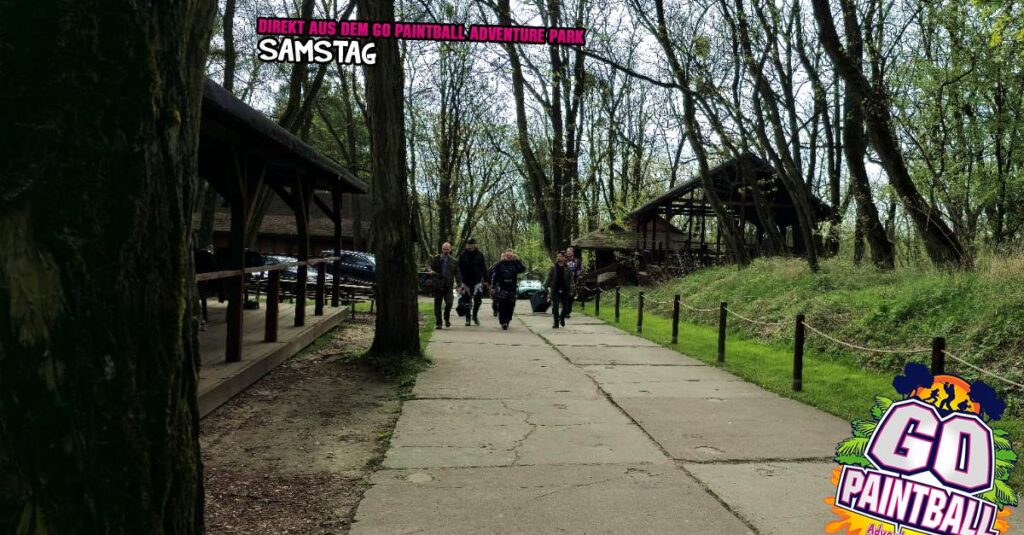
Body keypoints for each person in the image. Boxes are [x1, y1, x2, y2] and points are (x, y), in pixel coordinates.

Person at [490, 249, 525, 330]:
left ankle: (508, 320)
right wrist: (493, 287)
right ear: (504, 255)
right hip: (502, 288)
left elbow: (522, 269)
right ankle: (503, 322)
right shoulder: (499, 264)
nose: (509, 257)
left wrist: (517, 260)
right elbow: (494, 276)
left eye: (510, 255)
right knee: (502, 306)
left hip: (512, 289)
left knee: (511, 305)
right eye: (507, 255)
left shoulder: (515, 264)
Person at [457, 237, 488, 326]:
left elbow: (484, 268)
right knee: (466, 301)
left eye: (472, 244)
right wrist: (460, 282)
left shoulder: (480, 255)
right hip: (465, 281)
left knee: (478, 299)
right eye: (469, 244)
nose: (470, 245)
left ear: (475, 244)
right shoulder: (463, 255)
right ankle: (468, 318)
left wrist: (486, 280)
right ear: (467, 245)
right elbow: (459, 269)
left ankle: (474, 315)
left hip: (477, 281)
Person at [429, 242, 457, 329]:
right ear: (442, 249)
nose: (446, 251)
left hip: (448, 285)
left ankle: (446, 317)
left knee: (449, 303)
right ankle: (439, 323)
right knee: (437, 305)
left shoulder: (454, 261)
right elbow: (430, 267)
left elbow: (457, 273)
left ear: (450, 249)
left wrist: (460, 284)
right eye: (444, 249)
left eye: (447, 249)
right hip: (438, 285)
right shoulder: (436, 259)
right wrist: (431, 271)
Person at [545, 251, 575, 328]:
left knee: (566, 307)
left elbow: (571, 280)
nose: (558, 258)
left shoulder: (568, 269)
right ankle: (556, 322)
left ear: (564, 258)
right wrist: (546, 287)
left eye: (560, 256)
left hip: (565, 289)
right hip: (555, 289)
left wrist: (572, 290)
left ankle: (561, 318)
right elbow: (549, 278)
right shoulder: (553, 268)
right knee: (555, 307)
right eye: (557, 256)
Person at [563, 246, 581, 318]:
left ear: (573, 252)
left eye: (570, 251)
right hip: (564, 281)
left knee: (570, 297)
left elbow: (579, 270)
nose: (568, 253)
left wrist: (578, 275)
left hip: (573, 281)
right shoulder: (564, 260)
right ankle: (565, 311)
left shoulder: (577, 261)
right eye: (567, 251)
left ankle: (568, 311)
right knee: (564, 296)